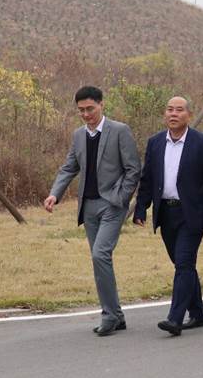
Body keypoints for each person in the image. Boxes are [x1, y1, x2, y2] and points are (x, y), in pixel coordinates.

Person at [44, 86, 141, 336]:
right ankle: (116, 315)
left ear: (101, 105)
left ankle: (109, 316)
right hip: (88, 208)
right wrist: (55, 193)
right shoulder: (78, 135)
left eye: (90, 109)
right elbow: (69, 167)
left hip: (112, 205)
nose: (86, 114)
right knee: (99, 261)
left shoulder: (119, 131)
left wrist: (121, 198)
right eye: (81, 110)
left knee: (100, 255)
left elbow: (133, 169)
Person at [133, 97, 203, 336]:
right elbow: (148, 179)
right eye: (170, 109)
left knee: (183, 263)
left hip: (192, 214)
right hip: (166, 212)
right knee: (184, 266)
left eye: (179, 110)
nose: (174, 114)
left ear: (189, 115)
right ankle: (198, 314)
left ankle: (175, 318)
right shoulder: (155, 142)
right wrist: (141, 208)